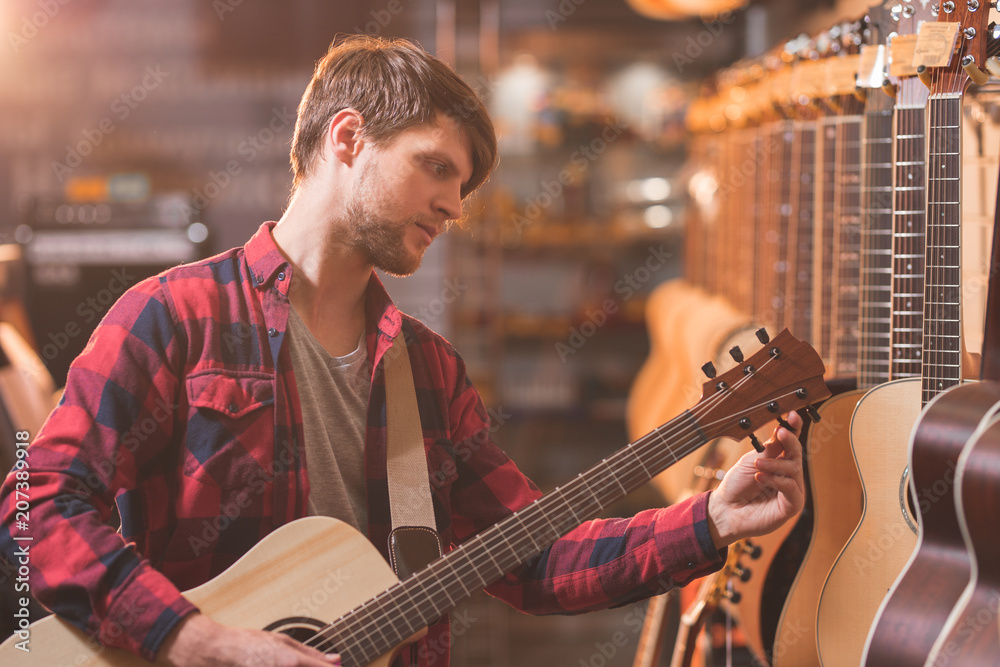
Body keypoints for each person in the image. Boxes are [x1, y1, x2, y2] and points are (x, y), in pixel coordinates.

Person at [0, 35, 805, 667]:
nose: (455, 205)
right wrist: (197, 638)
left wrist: (709, 518)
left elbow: (530, 558)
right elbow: (37, 504)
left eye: (465, 186)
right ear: (348, 137)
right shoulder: (173, 315)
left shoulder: (428, 372)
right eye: (438, 168)